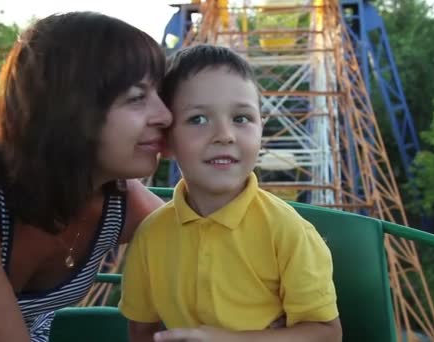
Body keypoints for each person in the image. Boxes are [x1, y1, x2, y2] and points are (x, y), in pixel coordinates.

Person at [0, 11, 172, 342]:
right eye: (138, 98)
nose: (166, 115)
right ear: (71, 107)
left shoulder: (115, 198)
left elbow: (213, 248)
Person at [119, 44, 342, 342]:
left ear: (261, 131)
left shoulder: (288, 232)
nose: (224, 135)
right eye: (198, 119)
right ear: (166, 143)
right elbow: (141, 330)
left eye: (241, 118)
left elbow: (327, 334)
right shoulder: (150, 236)